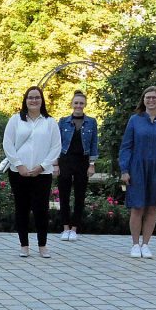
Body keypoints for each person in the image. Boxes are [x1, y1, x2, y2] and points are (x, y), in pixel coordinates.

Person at [3, 86, 61, 258]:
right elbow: (8, 144)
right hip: (18, 172)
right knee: (21, 208)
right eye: (30, 97)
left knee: (41, 209)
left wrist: (42, 166)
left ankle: (42, 245)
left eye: (37, 97)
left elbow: (56, 147)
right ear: (25, 100)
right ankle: (24, 245)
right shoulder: (15, 120)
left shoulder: (50, 122)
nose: (33, 100)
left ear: (42, 100)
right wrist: (19, 164)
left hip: (41, 174)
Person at [120, 86, 156, 259]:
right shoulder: (135, 120)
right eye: (147, 97)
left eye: (154, 97)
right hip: (137, 168)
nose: (151, 100)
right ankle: (135, 244)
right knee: (137, 207)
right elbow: (126, 146)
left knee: (152, 208)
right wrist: (124, 169)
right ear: (143, 100)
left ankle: (146, 244)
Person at [55, 91, 100, 241]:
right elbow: (56, 143)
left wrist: (92, 164)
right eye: (76, 103)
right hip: (65, 160)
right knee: (64, 195)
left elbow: (94, 143)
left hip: (83, 161)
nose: (78, 105)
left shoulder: (91, 122)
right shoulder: (63, 121)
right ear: (72, 104)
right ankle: (65, 227)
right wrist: (55, 163)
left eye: (81, 103)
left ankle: (74, 228)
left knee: (80, 196)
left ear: (85, 105)